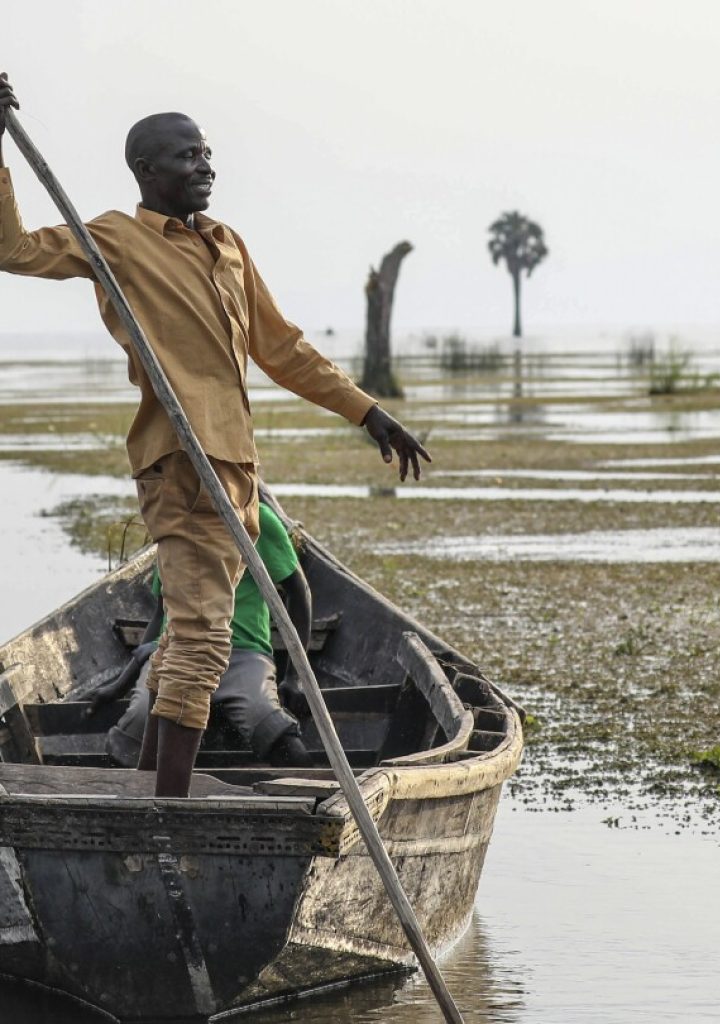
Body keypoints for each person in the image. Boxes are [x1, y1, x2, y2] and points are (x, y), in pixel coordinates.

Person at [0, 74, 430, 797]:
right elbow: (12, 249)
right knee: (202, 639)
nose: (205, 165)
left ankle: (144, 790)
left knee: (185, 641)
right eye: (186, 155)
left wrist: (368, 412)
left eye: (207, 152)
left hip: (234, 464)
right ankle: (168, 804)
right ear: (147, 171)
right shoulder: (117, 239)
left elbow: (284, 348)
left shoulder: (227, 246)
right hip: (180, 462)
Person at [90, 501, 314, 769]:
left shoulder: (256, 518)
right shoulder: (173, 519)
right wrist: (122, 682)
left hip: (241, 653)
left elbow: (299, 594)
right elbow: (162, 613)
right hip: (174, 652)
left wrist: (295, 678)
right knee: (133, 731)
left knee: (273, 728)